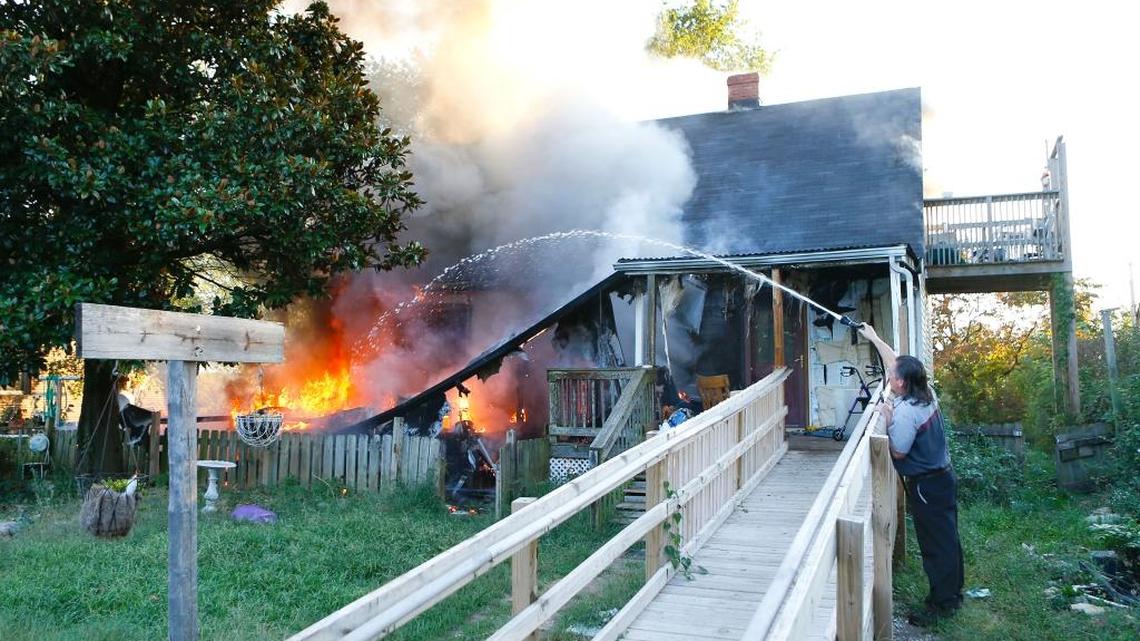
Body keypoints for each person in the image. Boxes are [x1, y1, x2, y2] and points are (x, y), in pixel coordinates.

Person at [858, 323, 964, 626]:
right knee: (948, 538)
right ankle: (953, 594)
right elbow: (896, 361)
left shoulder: (906, 412)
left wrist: (888, 420)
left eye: (892, 377)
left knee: (935, 544)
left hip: (926, 486)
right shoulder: (925, 393)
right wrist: (875, 337)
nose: (888, 377)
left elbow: (899, 452)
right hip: (942, 480)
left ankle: (942, 605)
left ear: (901, 383)